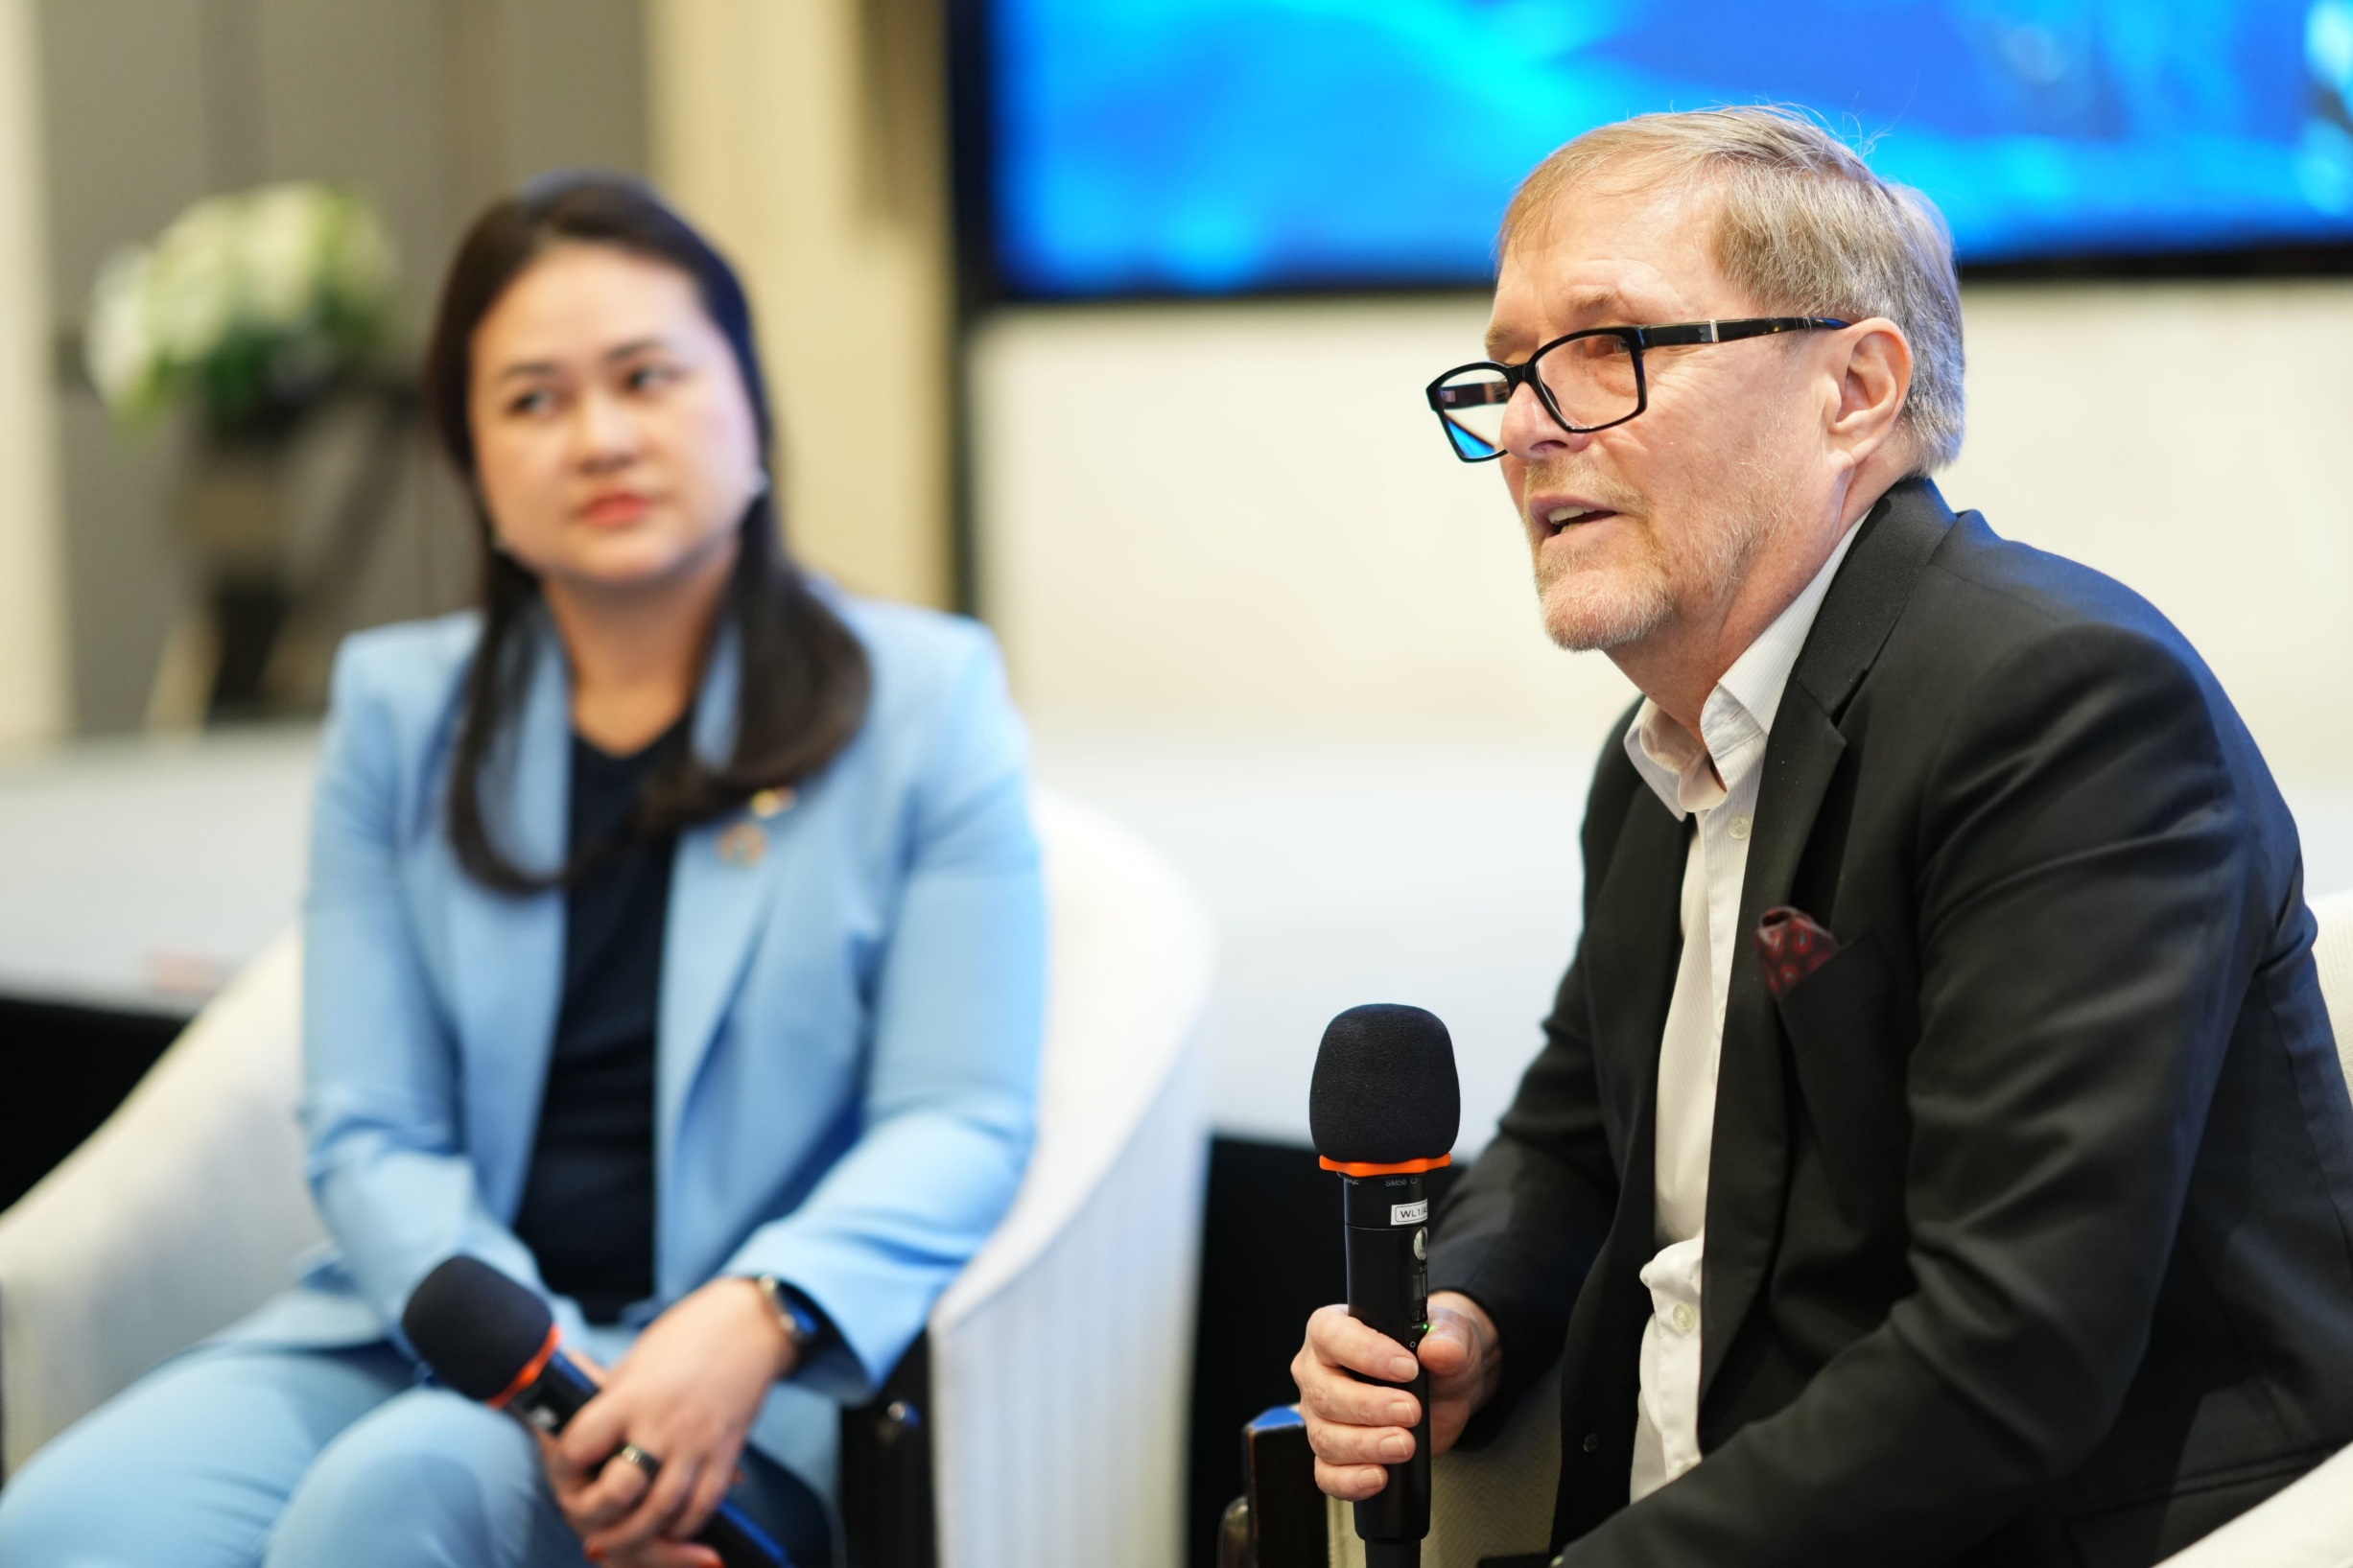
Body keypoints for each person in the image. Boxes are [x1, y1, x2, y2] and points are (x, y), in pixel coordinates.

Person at [1292, 106, 2353, 1566]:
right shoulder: (1656, 756)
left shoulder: (2061, 707)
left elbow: (2006, 1353)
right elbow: (1572, 1145)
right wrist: (1462, 1317)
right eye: (1512, 370)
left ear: (1853, 389)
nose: (1527, 427)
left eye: (1607, 348)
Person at [0, 175, 1045, 1568]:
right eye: (534, 400)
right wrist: (525, 1359)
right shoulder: (400, 713)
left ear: (748, 408)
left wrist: (757, 1314)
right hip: (437, 1325)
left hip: (746, 1369)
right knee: (63, 1522)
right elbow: (369, 1124)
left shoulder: (923, 697)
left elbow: (959, 1115)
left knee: (401, 1494)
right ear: (475, 465)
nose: (599, 436)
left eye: (646, 377)